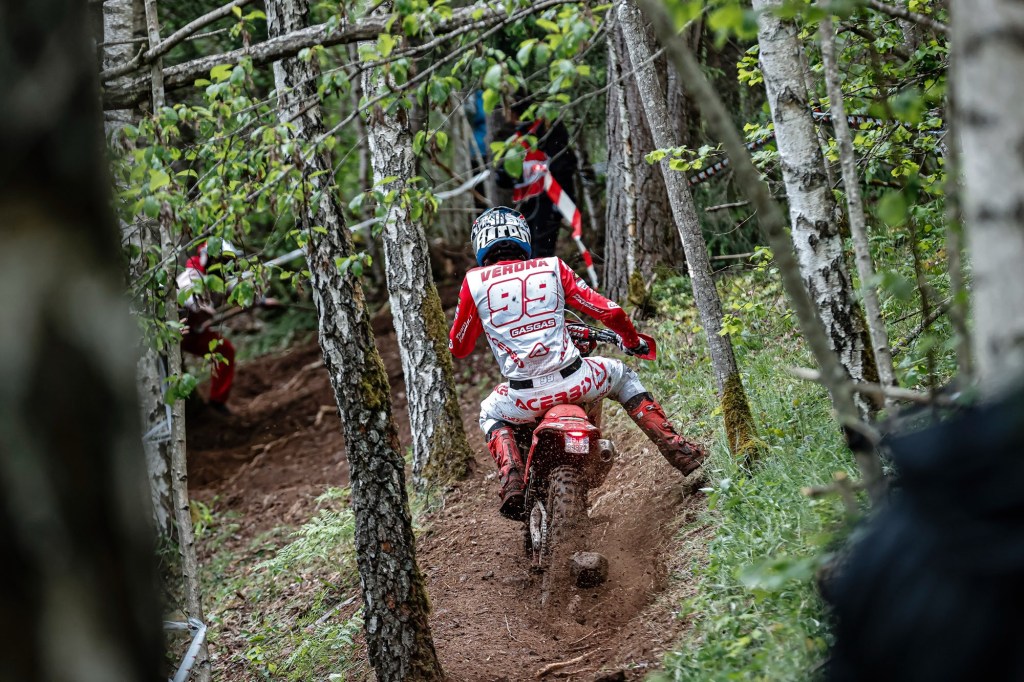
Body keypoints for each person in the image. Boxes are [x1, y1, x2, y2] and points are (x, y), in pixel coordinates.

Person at [448, 207, 706, 519]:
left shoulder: (474, 282)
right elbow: (610, 312)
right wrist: (631, 339)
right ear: (523, 237)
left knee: (489, 412)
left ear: (480, 244)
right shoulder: (552, 267)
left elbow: (459, 347)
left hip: (523, 397)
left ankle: (512, 478)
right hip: (577, 381)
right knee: (623, 375)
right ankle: (680, 451)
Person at [177, 239, 275, 414]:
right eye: (221, 260)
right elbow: (188, 296)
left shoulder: (220, 279)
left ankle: (217, 401)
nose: (224, 265)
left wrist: (261, 302)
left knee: (225, 351)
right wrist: (202, 308)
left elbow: (238, 292)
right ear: (208, 258)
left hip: (196, 333)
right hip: (174, 334)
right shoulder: (192, 275)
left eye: (227, 261)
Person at [495, 101, 577, 259]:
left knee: (542, 251)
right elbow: (504, 180)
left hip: (548, 200)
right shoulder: (514, 137)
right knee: (525, 250)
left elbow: (565, 165)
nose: (507, 117)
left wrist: (564, 201)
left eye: (509, 111)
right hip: (525, 204)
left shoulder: (548, 130)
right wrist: (504, 173)